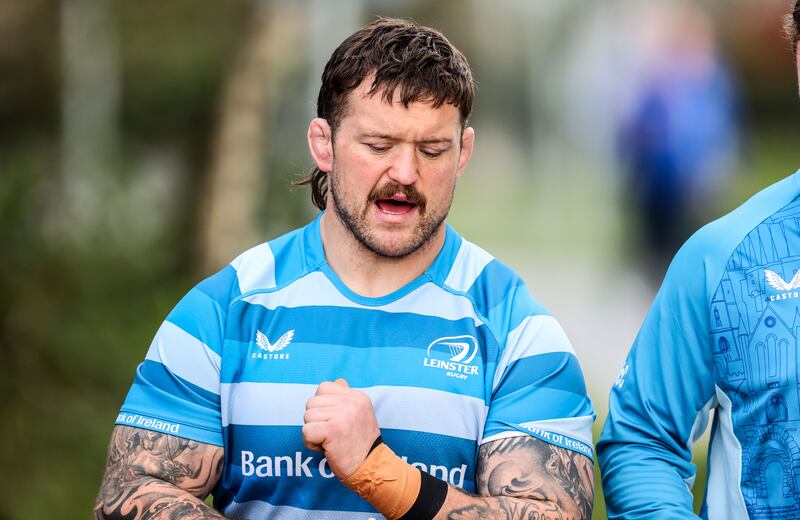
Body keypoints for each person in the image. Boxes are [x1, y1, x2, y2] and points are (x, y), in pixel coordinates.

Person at [94, 18, 595, 520]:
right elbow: (129, 495)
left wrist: (381, 474)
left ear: (463, 152)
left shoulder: (519, 331)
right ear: (323, 143)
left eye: (431, 150)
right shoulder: (225, 309)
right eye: (378, 146)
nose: (405, 173)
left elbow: (551, 513)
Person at [598, 3, 800, 518]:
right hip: (666, 201)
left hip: (695, 192)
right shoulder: (721, 257)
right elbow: (643, 438)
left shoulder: (714, 83)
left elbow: (726, 131)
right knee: (665, 272)